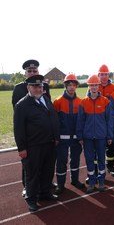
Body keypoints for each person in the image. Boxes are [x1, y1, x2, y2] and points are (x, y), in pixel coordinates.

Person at [13, 75, 59, 212]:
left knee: (48, 170)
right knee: (32, 174)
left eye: (40, 86)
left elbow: (54, 119)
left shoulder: (45, 99)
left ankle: (45, 193)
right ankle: (31, 199)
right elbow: (18, 129)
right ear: (28, 87)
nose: (38, 89)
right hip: (33, 146)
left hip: (49, 144)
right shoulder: (22, 105)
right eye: (34, 86)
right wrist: (21, 148)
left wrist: (56, 137)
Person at [12, 59, 51, 198]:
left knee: (45, 164)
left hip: (45, 136)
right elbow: (18, 116)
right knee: (29, 166)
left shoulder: (44, 86)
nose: (32, 72)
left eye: (35, 71)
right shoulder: (19, 89)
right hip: (30, 135)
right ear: (25, 73)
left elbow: (48, 108)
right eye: (29, 71)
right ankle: (27, 188)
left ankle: (44, 187)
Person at [76, 75, 113, 193]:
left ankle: (101, 181)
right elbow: (80, 121)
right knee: (89, 159)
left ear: (99, 86)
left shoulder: (106, 101)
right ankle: (92, 182)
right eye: (91, 85)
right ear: (89, 86)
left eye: (96, 85)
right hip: (87, 137)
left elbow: (109, 120)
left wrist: (109, 135)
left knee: (101, 159)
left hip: (101, 136)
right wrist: (80, 136)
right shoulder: (83, 103)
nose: (94, 87)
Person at [53, 73, 85, 195]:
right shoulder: (57, 102)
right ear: (66, 86)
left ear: (76, 86)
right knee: (61, 161)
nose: (71, 87)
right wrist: (56, 137)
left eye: (73, 85)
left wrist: (81, 136)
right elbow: (54, 122)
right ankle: (60, 185)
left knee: (75, 160)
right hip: (62, 139)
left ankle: (75, 180)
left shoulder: (80, 102)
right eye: (69, 84)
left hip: (76, 138)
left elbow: (82, 121)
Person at [98, 65, 114, 176]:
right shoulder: (94, 86)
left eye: (106, 74)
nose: (104, 76)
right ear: (99, 75)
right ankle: (97, 169)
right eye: (102, 74)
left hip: (111, 122)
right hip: (98, 122)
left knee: (111, 146)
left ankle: (110, 166)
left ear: (108, 75)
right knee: (98, 147)